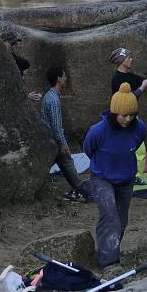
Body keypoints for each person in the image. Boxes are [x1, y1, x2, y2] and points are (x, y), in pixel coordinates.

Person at [83, 84, 146, 268]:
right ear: (114, 113)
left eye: (131, 115)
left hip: (126, 179)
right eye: (123, 115)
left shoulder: (139, 128)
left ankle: (113, 250)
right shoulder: (98, 131)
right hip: (102, 177)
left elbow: (138, 141)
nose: (128, 119)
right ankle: (108, 261)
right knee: (109, 215)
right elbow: (89, 149)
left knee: (121, 219)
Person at [107, 47, 147, 182]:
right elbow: (125, 102)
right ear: (121, 60)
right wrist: (142, 88)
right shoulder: (117, 79)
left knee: (139, 149)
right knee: (128, 148)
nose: (131, 59)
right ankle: (126, 175)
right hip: (122, 119)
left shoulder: (130, 76)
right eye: (128, 57)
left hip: (132, 117)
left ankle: (135, 176)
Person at [41, 67, 88, 203]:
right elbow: (56, 126)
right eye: (64, 76)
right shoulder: (54, 100)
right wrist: (63, 143)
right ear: (58, 79)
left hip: (49, 140)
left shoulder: (49, 96)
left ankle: (80, 190)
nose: (66, 78)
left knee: (65, 163)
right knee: (67, 162)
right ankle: (82, 191)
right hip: (54, 141)